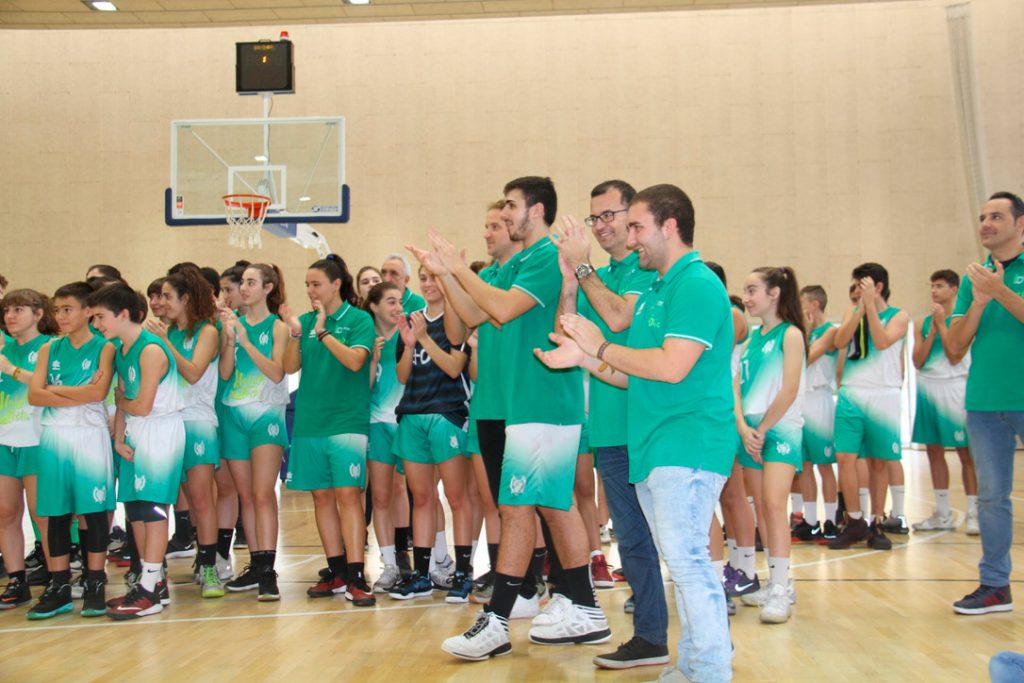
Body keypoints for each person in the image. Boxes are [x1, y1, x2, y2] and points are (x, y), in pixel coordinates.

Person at [536, 184, 735, 682]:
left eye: (638, 227)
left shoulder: (696, 284)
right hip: (655, 445)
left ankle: (710, 670)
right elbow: (634, 373)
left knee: (688, 561)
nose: (631, 237)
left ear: (670, 226)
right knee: (680, 560)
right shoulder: (661, 289)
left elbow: (670, 368)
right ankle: (693, 664)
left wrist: (601, 348)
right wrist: (585, 356)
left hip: (686, 443)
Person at [417, 177, 605, 660]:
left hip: (544, 399)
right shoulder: (516, 263)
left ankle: (509, 616)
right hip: (523, 403)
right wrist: (450, 277)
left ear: (535, 210)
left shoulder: (546, 257)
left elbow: (498, 309)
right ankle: (573, 606)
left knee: (532, 507)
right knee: (538, 506)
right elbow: (479, 316)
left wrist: (461, 269)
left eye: (512, 206)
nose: (504, 214)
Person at [553, 179, 669, 669]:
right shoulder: (598, 275)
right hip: (608, 428)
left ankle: (705, 642)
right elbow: (567, 328)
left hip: (650, 428)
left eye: (610, 216)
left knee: (671, 539)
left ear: (634, 216)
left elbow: (619, 320)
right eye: (594, 218)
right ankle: (650, 635)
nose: (601, 226)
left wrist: (583, 268)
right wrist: (568, 279)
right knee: (633, 540)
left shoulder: (647, 274)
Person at [282, 255, 378, 607]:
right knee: (320, 498)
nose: (310, 290)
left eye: (316, 283)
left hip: (346, 422)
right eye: (307, 284)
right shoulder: (306, 322)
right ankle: (336, 571)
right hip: (309, 423)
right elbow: (289, 367)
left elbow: (355, 361)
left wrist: (323, 332)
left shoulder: (359, 319)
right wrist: (297, 332)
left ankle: (357, 574)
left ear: (337, 284)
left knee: (349, 496)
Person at [947, 191, 1024, 615]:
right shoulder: (973, 279)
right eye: (982, 217)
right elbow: (955, 347)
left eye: (996, 216)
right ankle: (995, 585)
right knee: (991, 498)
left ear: (1021, 224)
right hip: (984, 402)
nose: (986, 223)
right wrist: (978, 302)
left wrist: (1001, 292)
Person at [90, 283, 186, 619]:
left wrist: (122, 406)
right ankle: (153, 583)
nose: (97, 324)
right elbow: (121, 400)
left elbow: (140, 404)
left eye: (100, 317)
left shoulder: (150, 350)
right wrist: (118, 439)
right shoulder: (120, 350)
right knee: (136, 511)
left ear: (124, 314)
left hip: (159, 432)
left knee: (154, 510)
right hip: (133, 433)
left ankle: (149, 588)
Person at [27, 282, 115, 620]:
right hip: (53, 438)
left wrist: (53, 388)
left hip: (89, 437)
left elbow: (98, 394)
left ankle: (94, 582)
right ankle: (60, 584)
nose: (61, 316)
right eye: (57, 310)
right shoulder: (50, 348)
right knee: (56, 514)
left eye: (68, 309)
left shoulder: (104, 348)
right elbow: (35, 396)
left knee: (92, 513)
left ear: (87, 311)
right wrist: (77, 390)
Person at [387, 268, 474, 603]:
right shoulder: (411, 320)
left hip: (447, 414)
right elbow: (402, 375)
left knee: (457, 497)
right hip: (412, 414)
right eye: (422, 277)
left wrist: (423, 338)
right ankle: (422, 575)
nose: (427, 283)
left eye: (433, 277)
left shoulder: (458, 320)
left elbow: (454, 368)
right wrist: (411, 343)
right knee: (420, 498)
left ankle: (463, 574)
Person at [147, 267, 225, 597]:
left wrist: (164, 341)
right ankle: (153, 567)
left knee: (201, 499)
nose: (161, 302)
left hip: (197, 421)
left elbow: (193, 373)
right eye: (159, 296)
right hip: (167, 423)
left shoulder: (207, 331)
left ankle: (208, 566)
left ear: (185, 299)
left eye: (167, 296)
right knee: (169, 498)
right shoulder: (164, 332)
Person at [734, 267, 806, 624]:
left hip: (780, 430)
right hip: (751, 433)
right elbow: (735, 387)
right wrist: (742, 426)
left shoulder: (790, 335)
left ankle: (782, 586)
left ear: (775, 293)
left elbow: (789, 388)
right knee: (762, 507)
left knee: (776, 504)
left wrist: (761, 427)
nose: (746, 298)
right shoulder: (749, 342)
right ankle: (772, 580)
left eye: (752, 290)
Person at [219, 264, 290, 601]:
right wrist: (230, 340)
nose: (244, 288)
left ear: (268, 288)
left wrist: (246, 342)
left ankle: (269, 571)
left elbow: (277, 373)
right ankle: (256, 564)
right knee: (246, 495)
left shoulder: (277, 328)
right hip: (234, 413)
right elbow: (225, 371)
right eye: (242, 283)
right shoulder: (233, 325)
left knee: (264, 493)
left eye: (251, 282)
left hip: (265, 415)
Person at [828, 263, 909, 551]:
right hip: (852, 393)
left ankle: (876, 521)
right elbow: (839, 341)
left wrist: (870, 309)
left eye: (863, 285)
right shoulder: (853, 312)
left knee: (878, 461)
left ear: (878, 287)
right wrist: (858, 312)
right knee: (845, 457)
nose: (857, 291)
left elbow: (882, 340)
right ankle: (855, 520)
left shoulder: (899, 316)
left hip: (882, 395)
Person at [0, 290, 58, 610]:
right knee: (6, 513)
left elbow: (46, 386)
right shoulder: (2, 346)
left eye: (18, 309)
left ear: (37, 314)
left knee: (43, 515)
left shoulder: (49, 346)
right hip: (4, 440)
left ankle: (55, 578)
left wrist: (9, 368)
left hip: (37, 440)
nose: (10, 316)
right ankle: (16, 580)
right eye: (7, 310)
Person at [911, 269, 977, 534]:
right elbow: (917, 361)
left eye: (939, 286)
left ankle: (973, 511)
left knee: (965, 453)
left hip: (956, 390)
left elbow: (954, 357)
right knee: (934, 452)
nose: (933, 291)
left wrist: (942, 326)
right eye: (931, 286)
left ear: (954, 290)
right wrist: (932, 333)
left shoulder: (964, 321)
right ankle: (942, 512)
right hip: (928, 389)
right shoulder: (922, 323)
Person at [364, 281, 409, 592]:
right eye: (390, 302)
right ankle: (389, 564)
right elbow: (362, 388)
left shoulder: (409, 337)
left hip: (407, 422)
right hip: (377, 423)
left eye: (400, 302)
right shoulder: (367, 339)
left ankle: (421, 560)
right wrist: (373, 361)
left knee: (408, 490)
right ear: (374, 307)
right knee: (380, 496)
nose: (397, 308)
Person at [793, 285, 840, 542]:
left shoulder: (830, 331)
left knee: (824, 465)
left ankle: (831, 520)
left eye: (802, 303)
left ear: (813, 305)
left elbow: (805, 359)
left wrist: (806, 331)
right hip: (801, 401)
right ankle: (810, 521)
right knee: (805, 466)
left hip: (819, 399)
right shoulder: (802, 332)